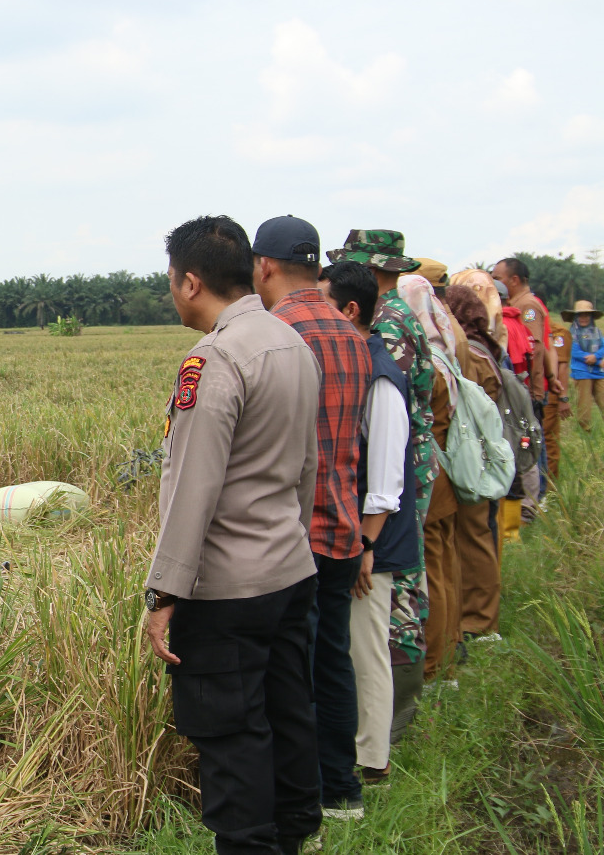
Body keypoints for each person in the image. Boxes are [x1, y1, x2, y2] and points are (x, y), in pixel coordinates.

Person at [143, 216, 322, 854]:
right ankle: (296, 835)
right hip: (291, 571)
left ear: (191, 281)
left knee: (232, 735)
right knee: (287, 716)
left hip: (228, 593)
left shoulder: (213, 359)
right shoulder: (290, 343)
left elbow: (193, 488)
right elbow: (307, 468)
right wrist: (291, 540)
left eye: (170, 279)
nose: (171, 291)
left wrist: (164, 594)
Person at [250, 215, 370, 820]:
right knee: (333, 660)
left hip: (293, 533)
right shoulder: (352, 334)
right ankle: (343, 789)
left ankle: (297, 801)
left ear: (263, 267)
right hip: (345, 525)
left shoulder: (274, 333)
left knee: (288, 674)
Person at [326, 230, 433, 738]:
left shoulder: (382, 349)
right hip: (387, 496)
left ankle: (382, 738)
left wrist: (366, 540)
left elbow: (386, 458)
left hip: (384, 502)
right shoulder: (391, 325)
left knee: (382, 620)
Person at [317, 261, 417, 787]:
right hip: (362, 536)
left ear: (350, 310)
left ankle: (371, 758)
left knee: (365, 648)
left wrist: (365, 546)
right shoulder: (360, 364)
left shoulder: (380, 375)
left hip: (373, 537)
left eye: (323, 302)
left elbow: (384, 481)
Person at [398, 275, 464, 680]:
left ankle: (435, 664)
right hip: (444, 476)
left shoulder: (426, 362)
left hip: (429, 479)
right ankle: (451, 643)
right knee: (446, 564)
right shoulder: (444, 353)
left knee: (433, 571)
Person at [443, 285, 507, 645]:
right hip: (473, 457)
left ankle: (480, 621)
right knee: (473, 535)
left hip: (467, 458)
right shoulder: (482, 348)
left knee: (473, 536)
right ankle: (474, 618)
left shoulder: (468, 351)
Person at [493, 257, 558, 491]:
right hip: (529, 386)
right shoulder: (520, 304)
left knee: (530, 441)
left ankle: (537, 496)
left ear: (514, 280)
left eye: (497, 279)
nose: (494, 283)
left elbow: (534, 348)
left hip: (528, 387)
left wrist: (535, 386)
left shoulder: (527, 307)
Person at [564, 301, 604, 432]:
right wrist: (596, 360)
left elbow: (603, 347)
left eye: (587, 315)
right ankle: (586, 433)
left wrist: (596, 356)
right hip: (582, 372)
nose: (584, 318)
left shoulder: (597, 332)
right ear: (576, 317)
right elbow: (574, 351)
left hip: (598, 372)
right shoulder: (571, 333)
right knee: (584, 405)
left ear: (591, 317)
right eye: (581, 315)